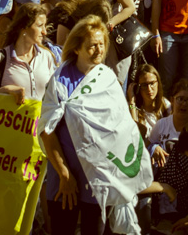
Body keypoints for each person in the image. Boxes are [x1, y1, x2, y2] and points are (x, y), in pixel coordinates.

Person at [39, 15, 147, 235]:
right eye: (92, 46)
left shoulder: (108, 78)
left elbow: (119, 128)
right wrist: (64, 174)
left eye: (102, 44)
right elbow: (46, 132)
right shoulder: (60, 81)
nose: (99, 50)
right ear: (77, 48)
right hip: (65, 180)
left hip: (98, 180)